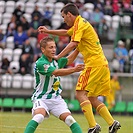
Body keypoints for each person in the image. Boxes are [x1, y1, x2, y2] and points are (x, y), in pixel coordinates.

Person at [38, 3, 121, 133]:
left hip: (93, 64)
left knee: (80, 93)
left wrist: (58, 56)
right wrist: (48, 31)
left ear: (69, 15)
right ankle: (112, 123)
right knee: (92, 98)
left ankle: (93, 127)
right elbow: (66, 33)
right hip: (102, 64)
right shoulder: (80, 24)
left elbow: (73, 43)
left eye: (63, 16)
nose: (63, 20)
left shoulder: (79, 24)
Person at [24, 37, 84, 133]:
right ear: (43, 49)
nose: (54, 50)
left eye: (54, 47)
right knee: (39, 116)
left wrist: (78, 48)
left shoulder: (55, 60)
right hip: (41, 97)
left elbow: (69, 60)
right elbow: (56, 72)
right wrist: (74, 69)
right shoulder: (41, 63)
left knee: (70, 120)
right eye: (50, 47)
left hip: (56, 98)